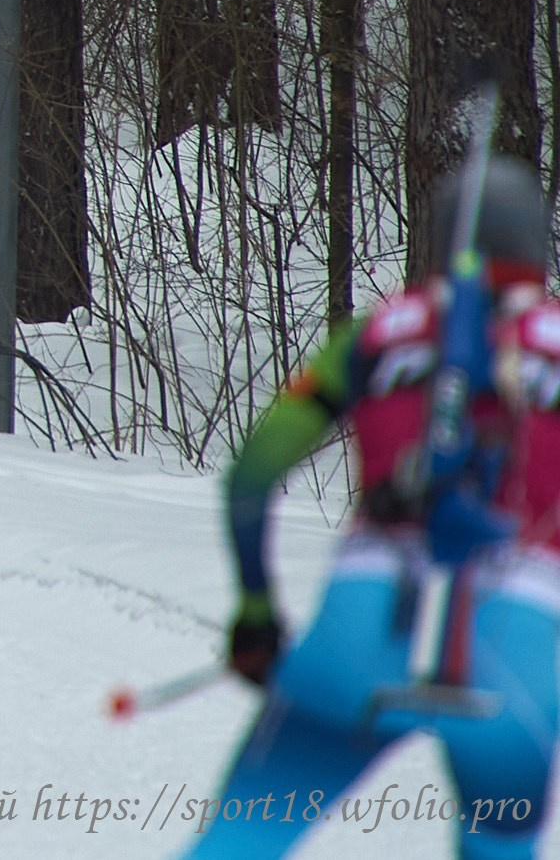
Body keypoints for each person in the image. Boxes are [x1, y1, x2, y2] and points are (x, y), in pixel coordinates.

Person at [178, 157, 560, 860]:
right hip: (516, 646)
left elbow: (250, 477)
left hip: (364, 623)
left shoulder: (377, 333)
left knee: (238, 843)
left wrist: (257, 611)